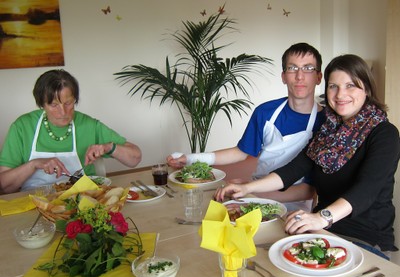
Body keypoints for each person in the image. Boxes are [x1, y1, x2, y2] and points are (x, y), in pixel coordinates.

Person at [215, 54, 400, 259]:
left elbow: (367, 190)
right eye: (333, 86)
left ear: (366, 88)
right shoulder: (327, 131)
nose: (340, 94)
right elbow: (292, 170)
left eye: (350, 86)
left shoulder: (384, 133)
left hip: (365, 240)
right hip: (322, 233)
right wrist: (247, 188)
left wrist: (321, 218)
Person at [167, 42, 325, 211]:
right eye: (292, 68)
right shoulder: (265, 112)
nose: (300, 76)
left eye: (308, 68)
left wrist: (251, 191)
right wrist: (191, 158)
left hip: (295, 207)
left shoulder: (326, 123)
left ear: (318, 77)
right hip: (254, 194)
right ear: (283, 76)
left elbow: (309, 191)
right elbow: (241, 152)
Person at [0, 69, 142, 194]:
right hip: (33, 202)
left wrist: (109, 147)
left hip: (83, 199)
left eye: (68, 103)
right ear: (42, 105)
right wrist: (33, 164)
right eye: (54, 105)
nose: (63, 112)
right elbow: (5, 186)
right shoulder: (22, 127)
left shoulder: (88, 125)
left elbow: (135, 158)